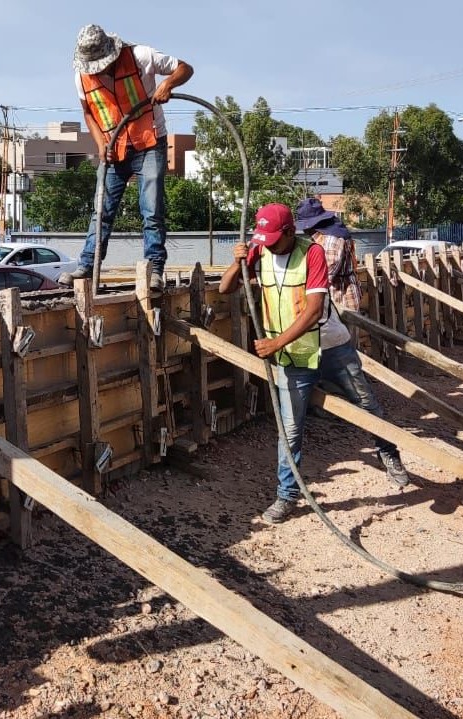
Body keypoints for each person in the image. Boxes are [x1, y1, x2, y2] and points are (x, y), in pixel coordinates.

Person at [219, 203, 409, 525]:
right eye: (262, 238)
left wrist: (275, 343)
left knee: (366, 404)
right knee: (290, 429)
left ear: (291, 232)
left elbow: (314, 310)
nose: (267, 244)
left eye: (273, 239)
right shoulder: (259, 249)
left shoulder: (313, 254)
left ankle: (389, 453)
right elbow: (225, 288)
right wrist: (237, 263)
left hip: (331, 345)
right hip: (294, 358)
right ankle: (286, 496)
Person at [59, 24, 193, 292]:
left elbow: (185, 69)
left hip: (149, 143)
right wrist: (101, 144)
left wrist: (167, 83)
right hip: (114, 149)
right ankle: (87, 267)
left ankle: (155, 268)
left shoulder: (141, 56)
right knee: (101, 211)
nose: (97, 70)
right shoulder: (82, 77)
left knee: (151, 210)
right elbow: (89, 113)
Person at [294, 197, 361, 311]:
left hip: (340, 296)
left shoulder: (331, 241)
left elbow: (325, 275)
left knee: (341, 328)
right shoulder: (331, 231)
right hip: (341, 291)